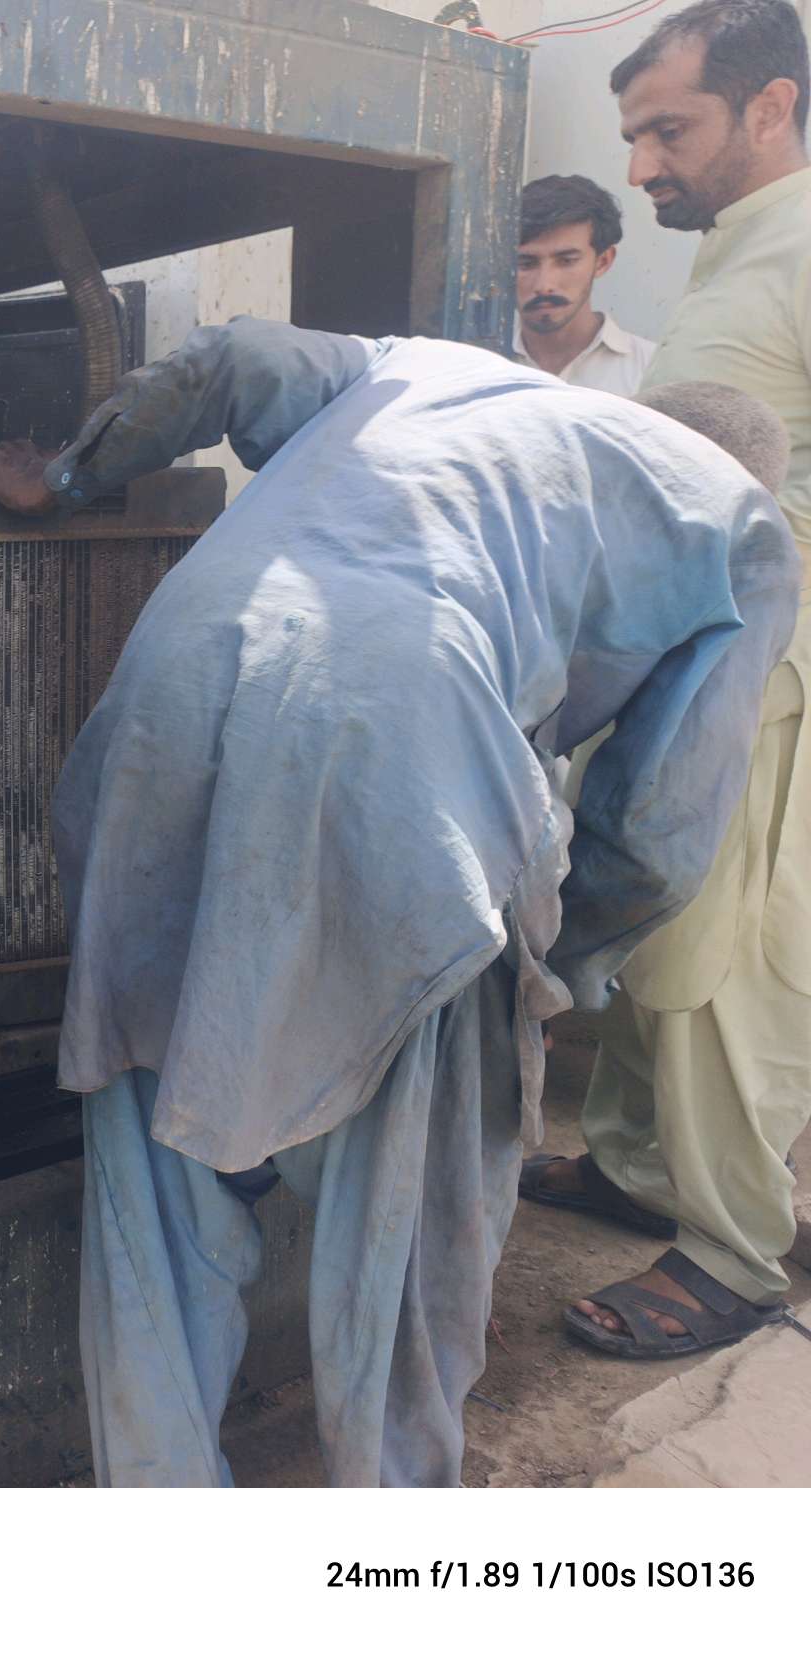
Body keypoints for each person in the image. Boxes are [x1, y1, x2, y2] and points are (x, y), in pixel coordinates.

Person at [0, 318, 798, 1485]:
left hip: (162, 706)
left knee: (157, 1172)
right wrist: (555, 976)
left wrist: (64, 476)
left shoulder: (424, 367)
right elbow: (654, 832)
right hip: (407, 764)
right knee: (404, 1242)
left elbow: (232, 359)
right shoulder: (743, 524)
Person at [522, 0, 811, 1359]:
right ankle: (636, 1165)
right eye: (633, 134)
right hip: (689, 652)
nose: (640, 165)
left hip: (766, 668)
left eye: (668, 130)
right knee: (647, 920)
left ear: (771, 106)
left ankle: (735, 1252)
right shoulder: (741, 251)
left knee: (720, 959)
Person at [513, 174, 657, 394]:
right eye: (526, 263)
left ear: (602, 262)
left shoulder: (650, 371)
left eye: (566, 261)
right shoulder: (476, 366)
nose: (544, 284)